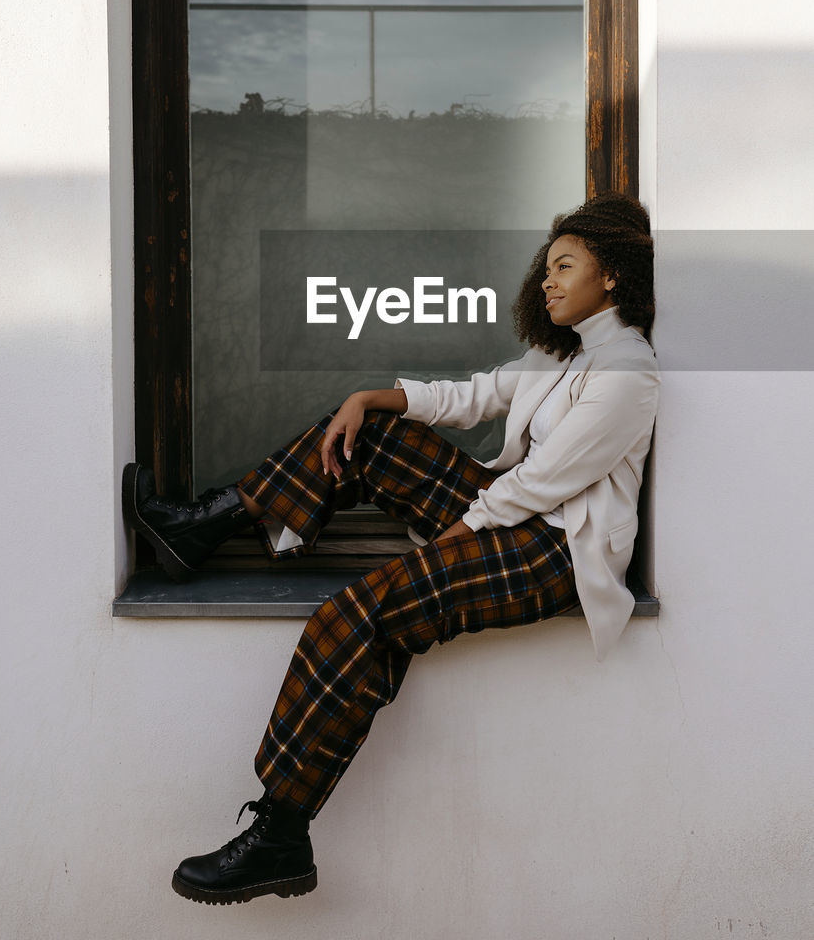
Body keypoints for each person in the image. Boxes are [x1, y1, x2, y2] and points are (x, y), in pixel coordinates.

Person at [122, 190, 659, 907]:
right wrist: (374, 397)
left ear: (612, 276)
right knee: (370, 436)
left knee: (352, 617)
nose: (547, 281)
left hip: (553, 554)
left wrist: (453, 538)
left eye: (564, 266)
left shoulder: (625, 370)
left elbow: (541, 483)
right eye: (546, 267)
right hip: (508, 518)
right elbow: (474, 396)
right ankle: (204, 526)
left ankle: (282, 829)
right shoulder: (562, 352)